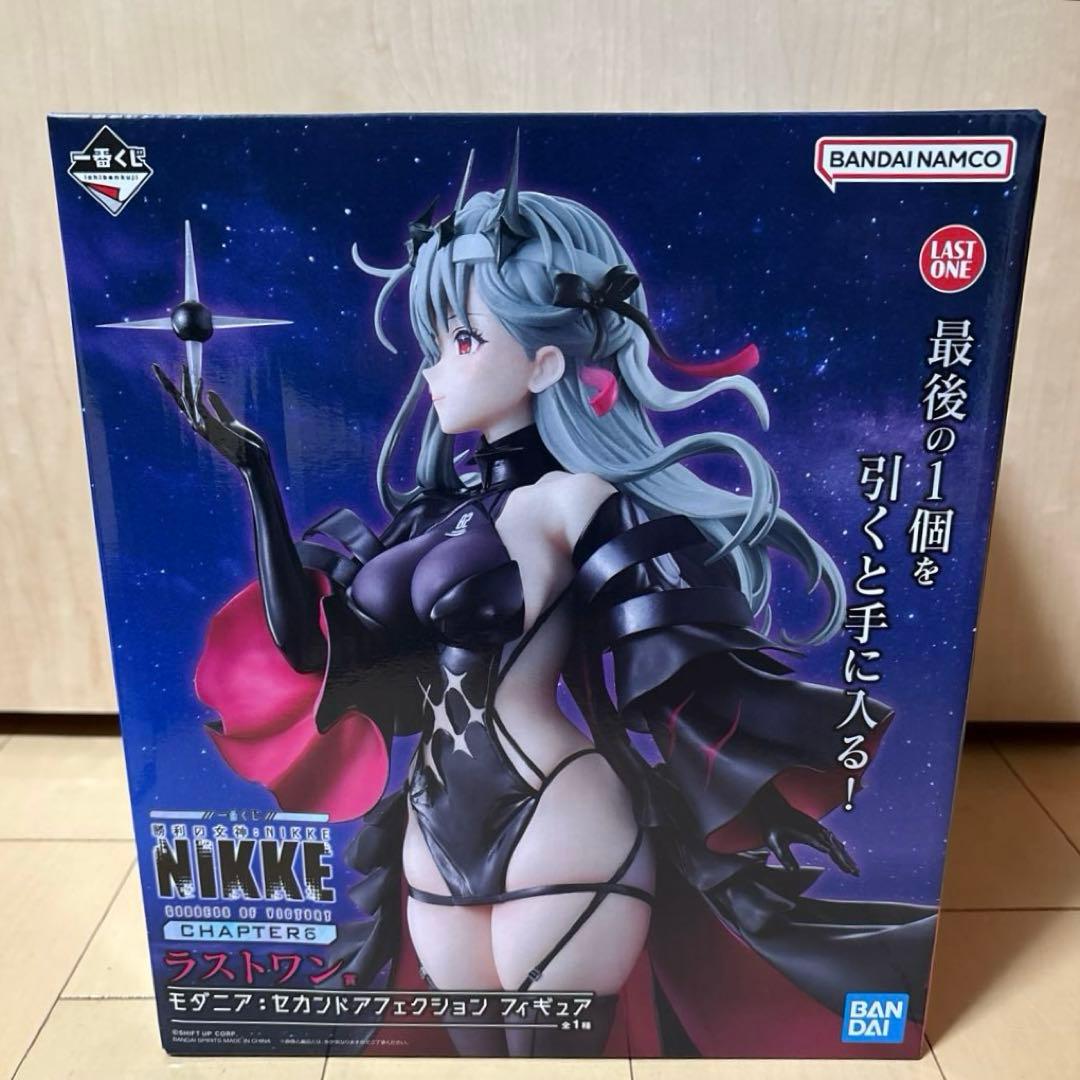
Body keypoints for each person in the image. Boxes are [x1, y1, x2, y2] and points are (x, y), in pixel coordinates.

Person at [155, 142, 936, 1057]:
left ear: (546, 364)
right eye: (434, 343)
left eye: (464, 340)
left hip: (556, 804)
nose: (435, 369)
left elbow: (673, 645)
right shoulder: (428, 520)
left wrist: (788, 734)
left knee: (550, 1059)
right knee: (480, 1059)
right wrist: (257, 475)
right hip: (431, 828)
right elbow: (315, 654)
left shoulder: (575, 500)